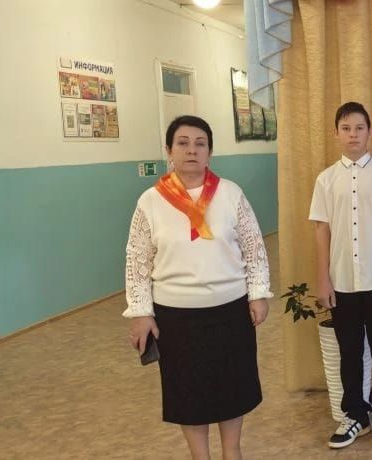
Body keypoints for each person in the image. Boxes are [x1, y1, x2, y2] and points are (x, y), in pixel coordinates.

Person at [124, 115, 272, 459]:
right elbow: (137, 259)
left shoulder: (231, 193)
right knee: (188, 392)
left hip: (230, 311)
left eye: (200, 144)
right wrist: (141, 312)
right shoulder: (150, 201)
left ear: (209, 153)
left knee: (232, 387)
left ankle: (232, 451)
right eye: (183, 143)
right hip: (176, 317)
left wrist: (258, 293)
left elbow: (253, 247)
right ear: (169, 151)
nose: (192, 150)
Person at [309, 102, 372, 449]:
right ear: (336, 133)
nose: (353, 134)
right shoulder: (325, 180)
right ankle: (355, 414)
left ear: (369, 133)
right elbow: (321, 231)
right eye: (346, 128)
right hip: (342, 282)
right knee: (349, 350)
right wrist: (324, 279)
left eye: (359, 128)